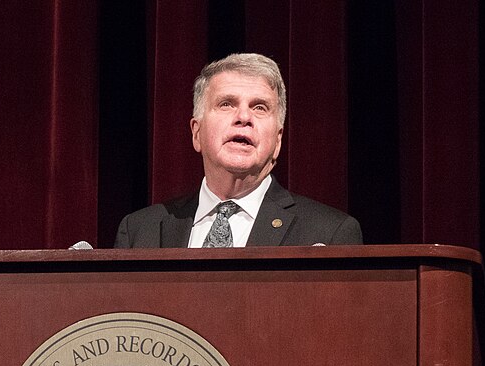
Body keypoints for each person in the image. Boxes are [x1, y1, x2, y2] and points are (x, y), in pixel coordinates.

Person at [114, 53, 362, 248]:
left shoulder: (329, 233)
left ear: (277, 141)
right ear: (196, 133)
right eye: (226, 104)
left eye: (260, 108)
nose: (244, 117)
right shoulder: (139, 230)